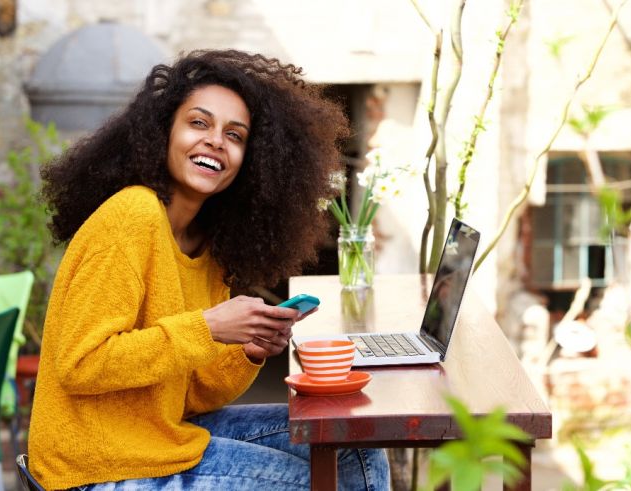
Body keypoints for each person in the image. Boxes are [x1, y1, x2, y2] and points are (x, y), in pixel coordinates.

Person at [27, 49, 390, 490]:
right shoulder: (132, 216)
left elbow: (196, 393)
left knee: (355, 443)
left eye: (234, 135)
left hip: (155, 438)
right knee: (307, 482)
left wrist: (249, 349)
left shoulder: (209, 245)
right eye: (199, 123)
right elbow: (80, 365)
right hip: (92, 466)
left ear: (250, 162)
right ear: (163, 133)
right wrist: (206, 327)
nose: (216, 140)